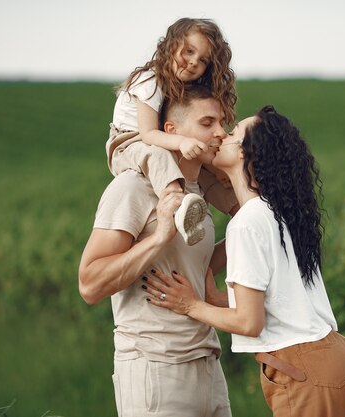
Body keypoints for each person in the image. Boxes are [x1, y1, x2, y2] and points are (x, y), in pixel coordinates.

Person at [143, 106, 345, 417]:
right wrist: (212, 296)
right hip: (341, 358)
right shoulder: (278, 213)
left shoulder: (247, 224)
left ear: (245, 154)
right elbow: (268, 300)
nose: (220, 136)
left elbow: (249, 323)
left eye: (231, 133)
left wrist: (191, 306)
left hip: (306, 370)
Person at [79, 85, 232, 417]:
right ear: (171, 132)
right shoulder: (132, 187)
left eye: (223, 122)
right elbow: (89, 284)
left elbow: (195, 266)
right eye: (207, 123)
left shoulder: (196, 191)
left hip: (207, 363)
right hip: (155, 366)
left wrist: (248, 231)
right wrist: (160, 236)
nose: (221, 133)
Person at [107, 17, 238, 246]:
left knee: (202, 170)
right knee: (159, 155)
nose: (193, 62)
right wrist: (181, 142)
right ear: (171, 45)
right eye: (189, 51)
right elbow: (148, 135)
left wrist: (217, 170)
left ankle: (241, 209)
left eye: (203, 60)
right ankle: (177, 208)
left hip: (156, 141)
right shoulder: (149, 80)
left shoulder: (179, 87)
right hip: (128, 143)